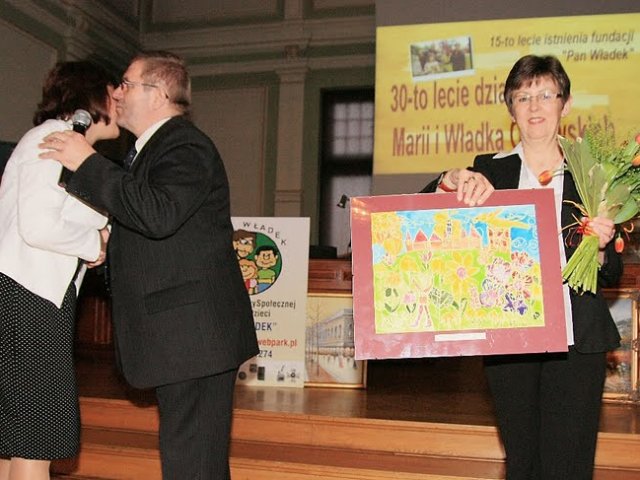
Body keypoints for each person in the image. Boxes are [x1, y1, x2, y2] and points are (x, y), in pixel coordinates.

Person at [39, 50, 259, 480]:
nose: (116, 93)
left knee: (193, 466)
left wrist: (87, 163)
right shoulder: (149, 150)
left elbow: (158, 214)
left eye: (126, 83)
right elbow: (152, 221)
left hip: (194, 335)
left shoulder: (185, 144)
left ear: (157, 94)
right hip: (185, 335)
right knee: (191, 464)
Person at [420, 54, 621, 479]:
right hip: (511, 336)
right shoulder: (489, 170)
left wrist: (602, 247)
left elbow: (611, 272)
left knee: (569, 465)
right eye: (523, 97)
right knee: (522, 462)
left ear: (565, 104)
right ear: (510, 108)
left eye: (546, 95)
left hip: (577, 337)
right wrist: (449, 180)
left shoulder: (593, 172)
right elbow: (422, 212)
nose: (535, 106)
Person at [0, 61, 118, 480]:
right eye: (114, 94)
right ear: (94, 97)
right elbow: (38, 227)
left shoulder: (60, 143)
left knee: (15, 439)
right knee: (36, 437)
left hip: (27, 295)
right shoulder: (55, 139)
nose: (120, 103)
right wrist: (94, 244)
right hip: (29, 299)